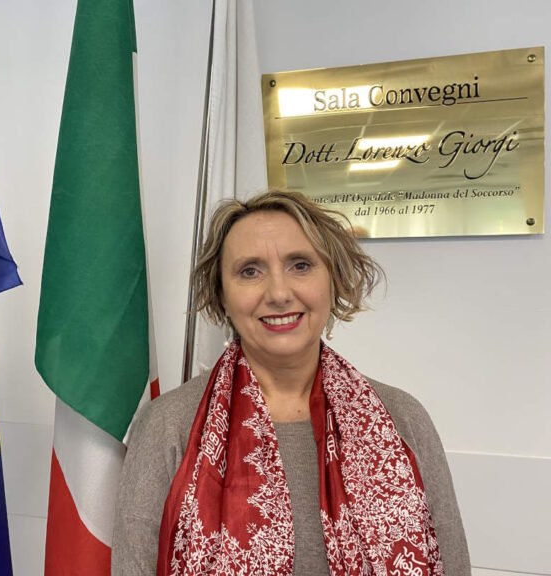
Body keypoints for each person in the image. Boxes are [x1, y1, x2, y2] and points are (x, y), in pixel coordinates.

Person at [111, 190, 470, 575]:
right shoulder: (169, 427)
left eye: (300, 265)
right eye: (250, 271)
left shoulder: (403, 419)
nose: (279, 294)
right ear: (222, 295)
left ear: (332, 279)